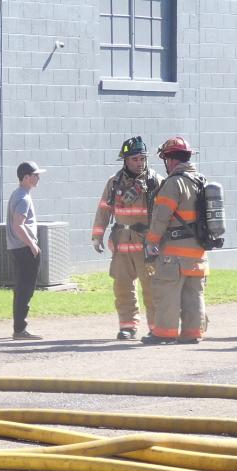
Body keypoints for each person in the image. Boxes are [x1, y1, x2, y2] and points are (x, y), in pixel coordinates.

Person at [91, 136, 162, 340]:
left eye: (142, 158)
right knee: (122, 288)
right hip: (122, 242)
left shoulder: (155, 181)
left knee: (152, 289)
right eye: (135, 159)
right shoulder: (114, 183)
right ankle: (128, 327)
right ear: (125, 160)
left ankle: (157, 328)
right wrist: (97, 235)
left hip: (146, 244)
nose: (139, 163)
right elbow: (104, 210)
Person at [141, 137, 208, 345]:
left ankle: (164, 333)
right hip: (198, 252)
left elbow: (161, 217)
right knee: (193, 294)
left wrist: (151, 241)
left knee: (167, 291)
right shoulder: (201, 181)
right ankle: (192, 332)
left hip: (175, 253)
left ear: (170, 160)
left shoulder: (173, 183)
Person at [6, 161, 46, 340]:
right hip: (23, 248)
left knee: (22, 288)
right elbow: (18, 225)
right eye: (35, 175)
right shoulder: (22, 197)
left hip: (19, 248)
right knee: (25, 289)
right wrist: (32, 244)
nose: (38, 178)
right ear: (26, 177)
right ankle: (20, 329)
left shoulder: (20, 194)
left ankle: (19, 327)